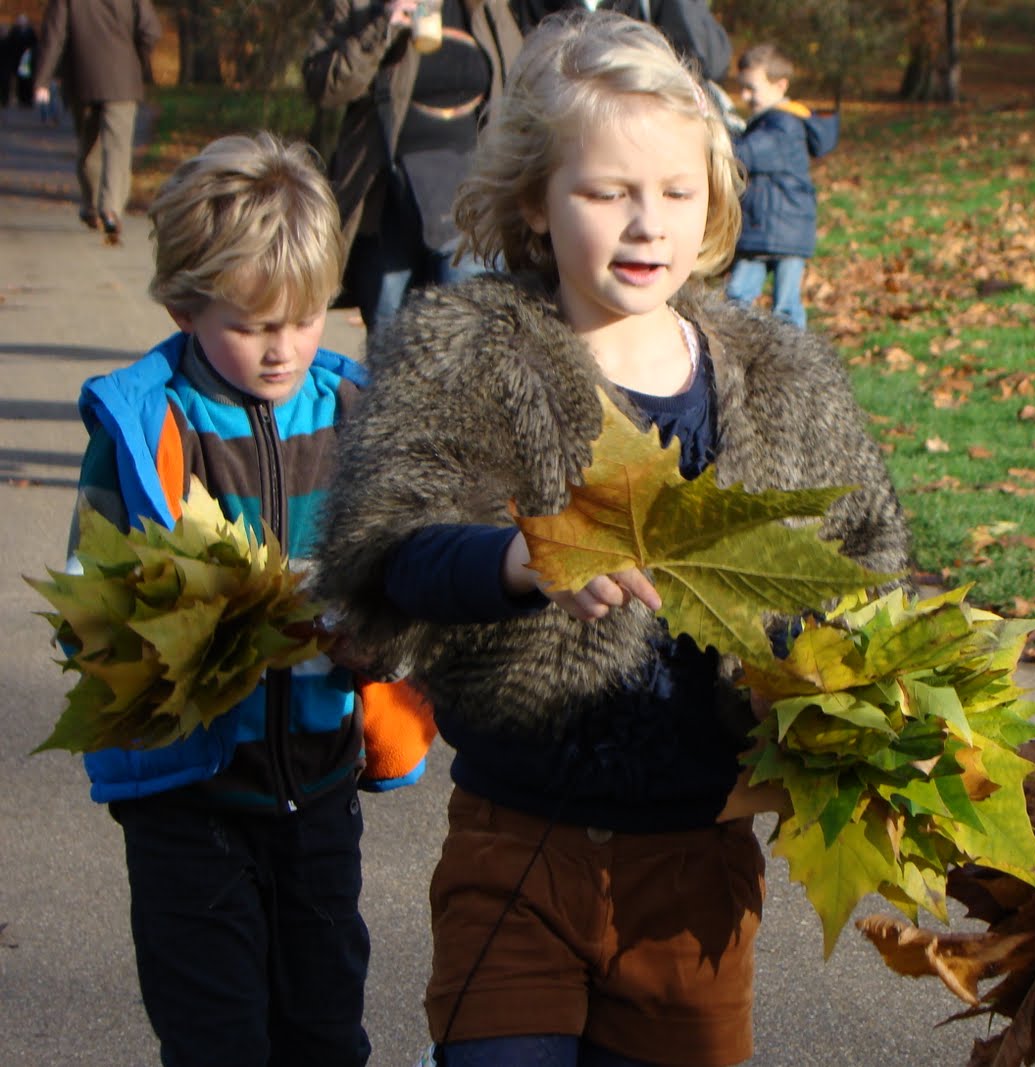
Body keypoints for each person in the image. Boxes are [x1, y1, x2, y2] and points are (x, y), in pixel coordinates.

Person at [312, 12, 910, 1066]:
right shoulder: (469, 353)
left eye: (676, 194)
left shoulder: (781, 377)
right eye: (606, 193)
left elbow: (862, 568)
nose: (647, 226)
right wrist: (515, 558)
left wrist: (844, 694)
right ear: (535, 205)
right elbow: (392, 544)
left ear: (715, 202)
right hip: (518, 838)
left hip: (695, 866)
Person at [64, 131, 434, 1066]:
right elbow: (89, 613)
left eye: (305, 318)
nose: (283, 349)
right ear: (186, 303)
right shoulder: (147, 425)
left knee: (322, 1030)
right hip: (187, 800)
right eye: (252, 324)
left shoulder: (354, 412)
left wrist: (382, 638)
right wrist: (178, 637)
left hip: (319, 783)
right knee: (216, 1037)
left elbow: (409, 579)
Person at [302, 0, 521, 332]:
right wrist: (382, 28)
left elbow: (518, 77)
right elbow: (324, 85)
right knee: (390, 336)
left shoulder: (485, 6)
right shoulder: (360, 6)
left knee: (468, 331)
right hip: (387, 197)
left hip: (472, 197)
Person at [723, 43, 837, 331]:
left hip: (775, 228)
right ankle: (740, 353)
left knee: (757, 301)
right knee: (743, 298)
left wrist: (720, 143)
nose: (745, 96)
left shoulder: (783, 124)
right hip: (776, 228)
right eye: (742, 88)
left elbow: (748, 155)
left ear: (780, 85)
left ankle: (789, 364)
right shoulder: (771, 122)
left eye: (752, 88)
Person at [32, 0, 161, 241]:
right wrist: (137, 61)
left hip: (83, 80)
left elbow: (54, 36)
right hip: (123, 80)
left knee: (88, 146)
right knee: (118, 149)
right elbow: (150, 31)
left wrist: (42, 80)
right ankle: (111, 209)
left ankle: (92, 206)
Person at [511, 0, 729, 82]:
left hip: (645, 148)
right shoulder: (522, 6)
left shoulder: (652, 5)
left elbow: (711, 59)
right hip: (558, 153)